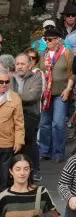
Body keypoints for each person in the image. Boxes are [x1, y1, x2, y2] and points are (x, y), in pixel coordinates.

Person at [38, 27, 74, 163]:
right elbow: (37, 71)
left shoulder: (66, 53)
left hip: (61, 92)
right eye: (45, 39)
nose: (47, 42)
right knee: (44, 124)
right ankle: (44, 151)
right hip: (45, 93)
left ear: (58, 40)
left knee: (58, 123)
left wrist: (68, 89)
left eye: (50, 39)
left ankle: (58, 152)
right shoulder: (42, 54)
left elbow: (73, 72)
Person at [0, 153, 57, 217]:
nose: (22, 173)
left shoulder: (41, 192)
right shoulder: (4, 197)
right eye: (18, 169)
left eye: (26, 169)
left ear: (30, 170)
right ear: (11, 171)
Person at [11, 53, 42, 181]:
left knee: (29, 144)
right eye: (17, 64)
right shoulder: (10, 78)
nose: (19, 67)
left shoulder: (36, 78)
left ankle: (33, 170)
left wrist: (12, 96)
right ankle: (14, 171)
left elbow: (32, 96)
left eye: (22, 64)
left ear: (29, 65)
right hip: (13, 115)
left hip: (30, 115)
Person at [0, 67, 24, 191]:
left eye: (7, 82)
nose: (4, 84)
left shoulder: (15, 98)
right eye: (1, 82)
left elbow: (19, 122)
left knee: (4, 177)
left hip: (6, 144)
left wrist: (19, 141)